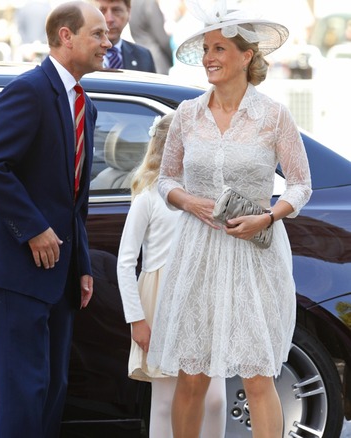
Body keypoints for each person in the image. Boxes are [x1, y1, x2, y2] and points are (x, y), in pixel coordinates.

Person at [146, 2, 312, 436]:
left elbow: (300, 185)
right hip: (197, 254)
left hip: (254, 257)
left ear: (246, 57)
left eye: (219, 48)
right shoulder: (187, 115)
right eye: (205, 49)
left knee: (258, 376)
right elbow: (164, 180)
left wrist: (269, 217)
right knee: (192, 375)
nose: (209, 58)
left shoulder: (274, 116)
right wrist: (189, 202)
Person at [0, 2, 108, 435]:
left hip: (60, 276)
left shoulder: (86, 105)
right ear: (67, 37)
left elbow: (73, 201)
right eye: (98, 34)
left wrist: (81, 266)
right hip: (15, 274)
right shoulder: (27, 89)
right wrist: (33, 230)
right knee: (24, 393)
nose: (108, 41)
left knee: (50, 391)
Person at [116, 113, 226, 437]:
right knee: (165, 400)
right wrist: (136, 318)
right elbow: (125, 262)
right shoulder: (148, 197)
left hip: (203, 298)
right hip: (161, 301)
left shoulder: (208, 195)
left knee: (216, 399)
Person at [93, 0, 156, 72]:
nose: (109, 19)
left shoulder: (143, 56)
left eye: (116, 11)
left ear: (128, 13)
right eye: (102, 11)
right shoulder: (80, 54)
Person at [129, 0, 173, 74]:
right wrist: (171, 58)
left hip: (138, 57)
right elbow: (162, 39)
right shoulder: (149, 3)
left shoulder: (131, 3)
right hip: (156, 58)